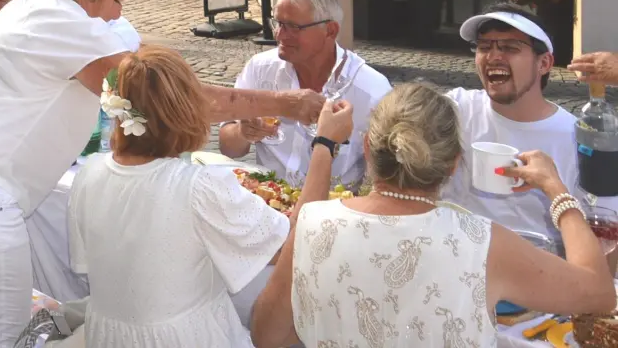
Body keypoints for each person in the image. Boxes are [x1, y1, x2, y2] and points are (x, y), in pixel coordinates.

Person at [0, 0, 326, 348]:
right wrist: (289, 103)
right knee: (4, 340)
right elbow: (169, 98)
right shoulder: (69, 24)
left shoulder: (35, 7)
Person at [251, 82, 617, 348]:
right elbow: (599, 293)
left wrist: (324, 147)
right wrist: (557, 190)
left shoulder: (313, 224)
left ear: (367, 147)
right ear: (454, 164)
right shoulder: (483, 242)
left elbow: (267, 336)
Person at [65, 48, 339, 348]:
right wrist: (325, 142)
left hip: (107, 337)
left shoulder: (88, 173)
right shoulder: (197, 187)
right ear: (188, 111)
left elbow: (87, 268)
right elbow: (296, 241)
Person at [434, 3, 612, 241]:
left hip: (539, 268)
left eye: (510, 47)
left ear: (544, 63)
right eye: (484, 46)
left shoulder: (578, 139)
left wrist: (553, 188)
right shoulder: (455, 109)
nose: (494, 56)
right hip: (454, 261)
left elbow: (604, 235)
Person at [218, 0, 391, 188]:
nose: (280, 34)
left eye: (292, 27)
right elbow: (228, 148)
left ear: (330, 30)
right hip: (269, 202)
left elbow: (385, 179)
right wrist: (243, 133)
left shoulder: (372, 91)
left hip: (331, 212)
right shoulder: (260, 69)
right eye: (278, 23)